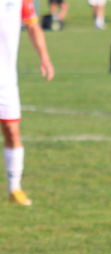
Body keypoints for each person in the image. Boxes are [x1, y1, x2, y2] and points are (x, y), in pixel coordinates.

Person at [0, 0, 53, 207]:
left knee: (12, 131)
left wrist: (44, 57)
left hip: (6, 81)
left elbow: (32, 25)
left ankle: (15, 188)